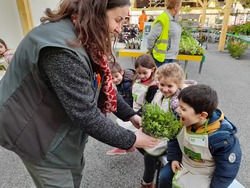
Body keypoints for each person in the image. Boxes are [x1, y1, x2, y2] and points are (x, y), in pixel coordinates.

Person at [0, 1, 160, 187]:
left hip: (56, 126)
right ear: (97, 11)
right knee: (59, 177)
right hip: (34, 133)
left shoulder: (83, 35)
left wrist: (130, 115)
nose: (119, 29)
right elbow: (85, 114)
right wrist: (131, 139)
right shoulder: (61, 49)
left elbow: (100, 84)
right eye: (118, 20)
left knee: (73, 172)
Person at [158, 84, 242, 188]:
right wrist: (174, 158)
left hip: (205, 173)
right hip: (184, 163)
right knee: (164, 176)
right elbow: (173, 139)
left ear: (202, 115)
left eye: (183, 109)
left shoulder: (223, 139)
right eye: (179, 106)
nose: (177, 110)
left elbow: (226, 169)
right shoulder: (179, 119)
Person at [140, 63, 196, 188]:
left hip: (170, 136)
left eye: (170, 86)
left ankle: (147, 182)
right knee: (140, 142)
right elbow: (153, 107)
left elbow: (179, 125)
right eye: (162, 85)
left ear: (179, 84)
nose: (165, 89)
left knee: (149, 154)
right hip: (158, 132)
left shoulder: (177, 102)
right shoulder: (159, 93)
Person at [106, 54, 158, 155]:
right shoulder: (136, 80)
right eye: (139, 73)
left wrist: (136, 114)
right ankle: (126, 146)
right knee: (123, 126)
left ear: (153, 69)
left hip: (142, 113)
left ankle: (133, 147)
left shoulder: (153, 86)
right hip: (134, 110)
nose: (141, 75)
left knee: (137, 134)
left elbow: (148, 105)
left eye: (144, 73)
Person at [147, 0, 182, 67]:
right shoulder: (163, 18)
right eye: (180, 6)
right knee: (161, 77)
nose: (180, 8)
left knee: (167, 77)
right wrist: (152, 51)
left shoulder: (172, 19)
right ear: (176, 6)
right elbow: (151, 37)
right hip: (162, 59)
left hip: (170, 56)